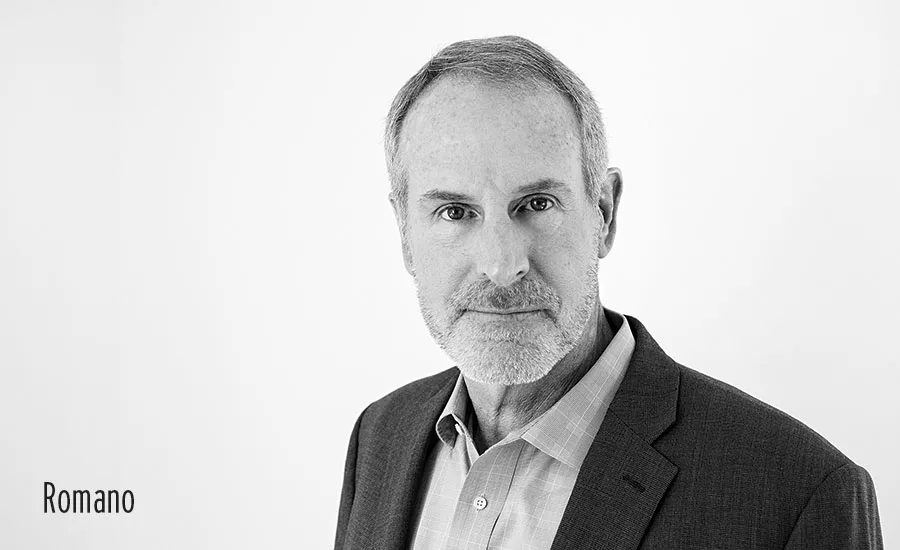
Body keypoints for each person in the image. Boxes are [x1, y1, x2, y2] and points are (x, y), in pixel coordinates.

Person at [334, 35, 883, 549]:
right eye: (455, 212)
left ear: (604, 212)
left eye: (537, 204)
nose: (502, 266)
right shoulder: (380, 439)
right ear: (405, 235)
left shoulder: (797, 494)